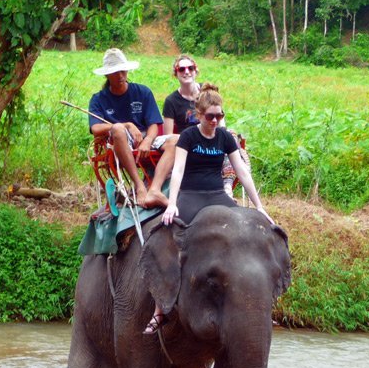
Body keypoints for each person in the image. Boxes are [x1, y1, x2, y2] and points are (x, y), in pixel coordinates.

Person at [144, 83, 271, 334]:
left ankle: (255, 304)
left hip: (216, 195)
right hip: (191, 195)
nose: (215, 120)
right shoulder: (189, 136)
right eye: (210, 116)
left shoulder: (224, 138)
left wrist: (259, 206)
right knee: (173, 238)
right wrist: (172, 204)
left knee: (245, 234)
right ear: (199, 115)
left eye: (219, 115)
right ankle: (160, 309)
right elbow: (178, 169)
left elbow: (242, 172)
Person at [88, 48, 164, 206]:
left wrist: (148, 140)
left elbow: (154, 124)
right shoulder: (98, 99)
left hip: (144, 137)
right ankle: (139, 185)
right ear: (107, 75)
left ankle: (156, 188)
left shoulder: (143, 92)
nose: (121, 75)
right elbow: (95, 129)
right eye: (115, 72)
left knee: (176, 140)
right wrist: (127, 125)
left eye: (123, 70)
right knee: (117, 128)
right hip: (118, 140)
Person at [142, 55, 202, 208]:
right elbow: (168, 135)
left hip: (209, 136)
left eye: (190, 68)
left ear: (196, 71)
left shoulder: (207, 92)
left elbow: (219, 119)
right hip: (186, 141)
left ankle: (226, 190)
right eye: (181, 69)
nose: (186, 72)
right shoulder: (171, 101)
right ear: (176, 73)